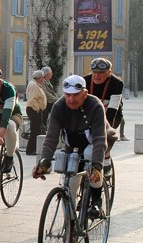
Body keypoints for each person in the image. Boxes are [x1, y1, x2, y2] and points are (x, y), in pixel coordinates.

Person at [32, 75, 117, 217]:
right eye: (68, 95)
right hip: (74, 146)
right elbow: (51, 137)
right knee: (70, 184)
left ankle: (96, 199)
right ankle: (70, 224)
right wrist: (44, 161)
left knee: (90, 156)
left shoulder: (94, 105)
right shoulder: (59, 107)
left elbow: (99, 139)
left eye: (76, 95)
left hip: (97, 142)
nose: (71, 99)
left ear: (85, 93)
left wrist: (97, 166)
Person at [83, 58, 125, 129]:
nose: (96, 75)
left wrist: (107, 131)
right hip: (91, 113)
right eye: (94, 72)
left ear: (109, 72)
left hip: (111, 113)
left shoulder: (117, 83)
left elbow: (112, 110)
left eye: (101, 72)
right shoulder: (85, 81)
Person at [25, 70, 47, 156]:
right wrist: (37, 108)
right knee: (35, 130)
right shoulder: (34, 85)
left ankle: (32, 148)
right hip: (34, 110)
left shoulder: (35, 84)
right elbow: (32, 99)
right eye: (43, 77)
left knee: (37, 130)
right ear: (40, 77)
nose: (44, 79)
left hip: (35, 109)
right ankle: (30, 150)